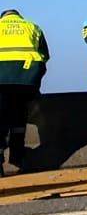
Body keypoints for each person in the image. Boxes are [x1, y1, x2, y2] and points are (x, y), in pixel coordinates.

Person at [0, 9, 49, 173]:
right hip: (27, 81)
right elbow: (45, 55)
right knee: (19, 115)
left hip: (1, 81)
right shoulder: (33, 27)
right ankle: (17, 155)